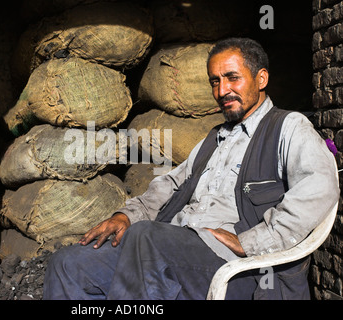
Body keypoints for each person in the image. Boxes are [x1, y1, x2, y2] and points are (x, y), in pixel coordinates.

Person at [42, 38, 340, 300]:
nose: (223, 90)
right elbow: (171, 185)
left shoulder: (288, 127)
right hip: (173, 249)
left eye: (232, 78)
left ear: (261, 79)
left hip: (236, 267)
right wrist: (126, 215)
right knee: (69, 262)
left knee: (147, 238)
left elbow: (321, 186)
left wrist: (251, 241)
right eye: (215, 81)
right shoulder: (216, 137)